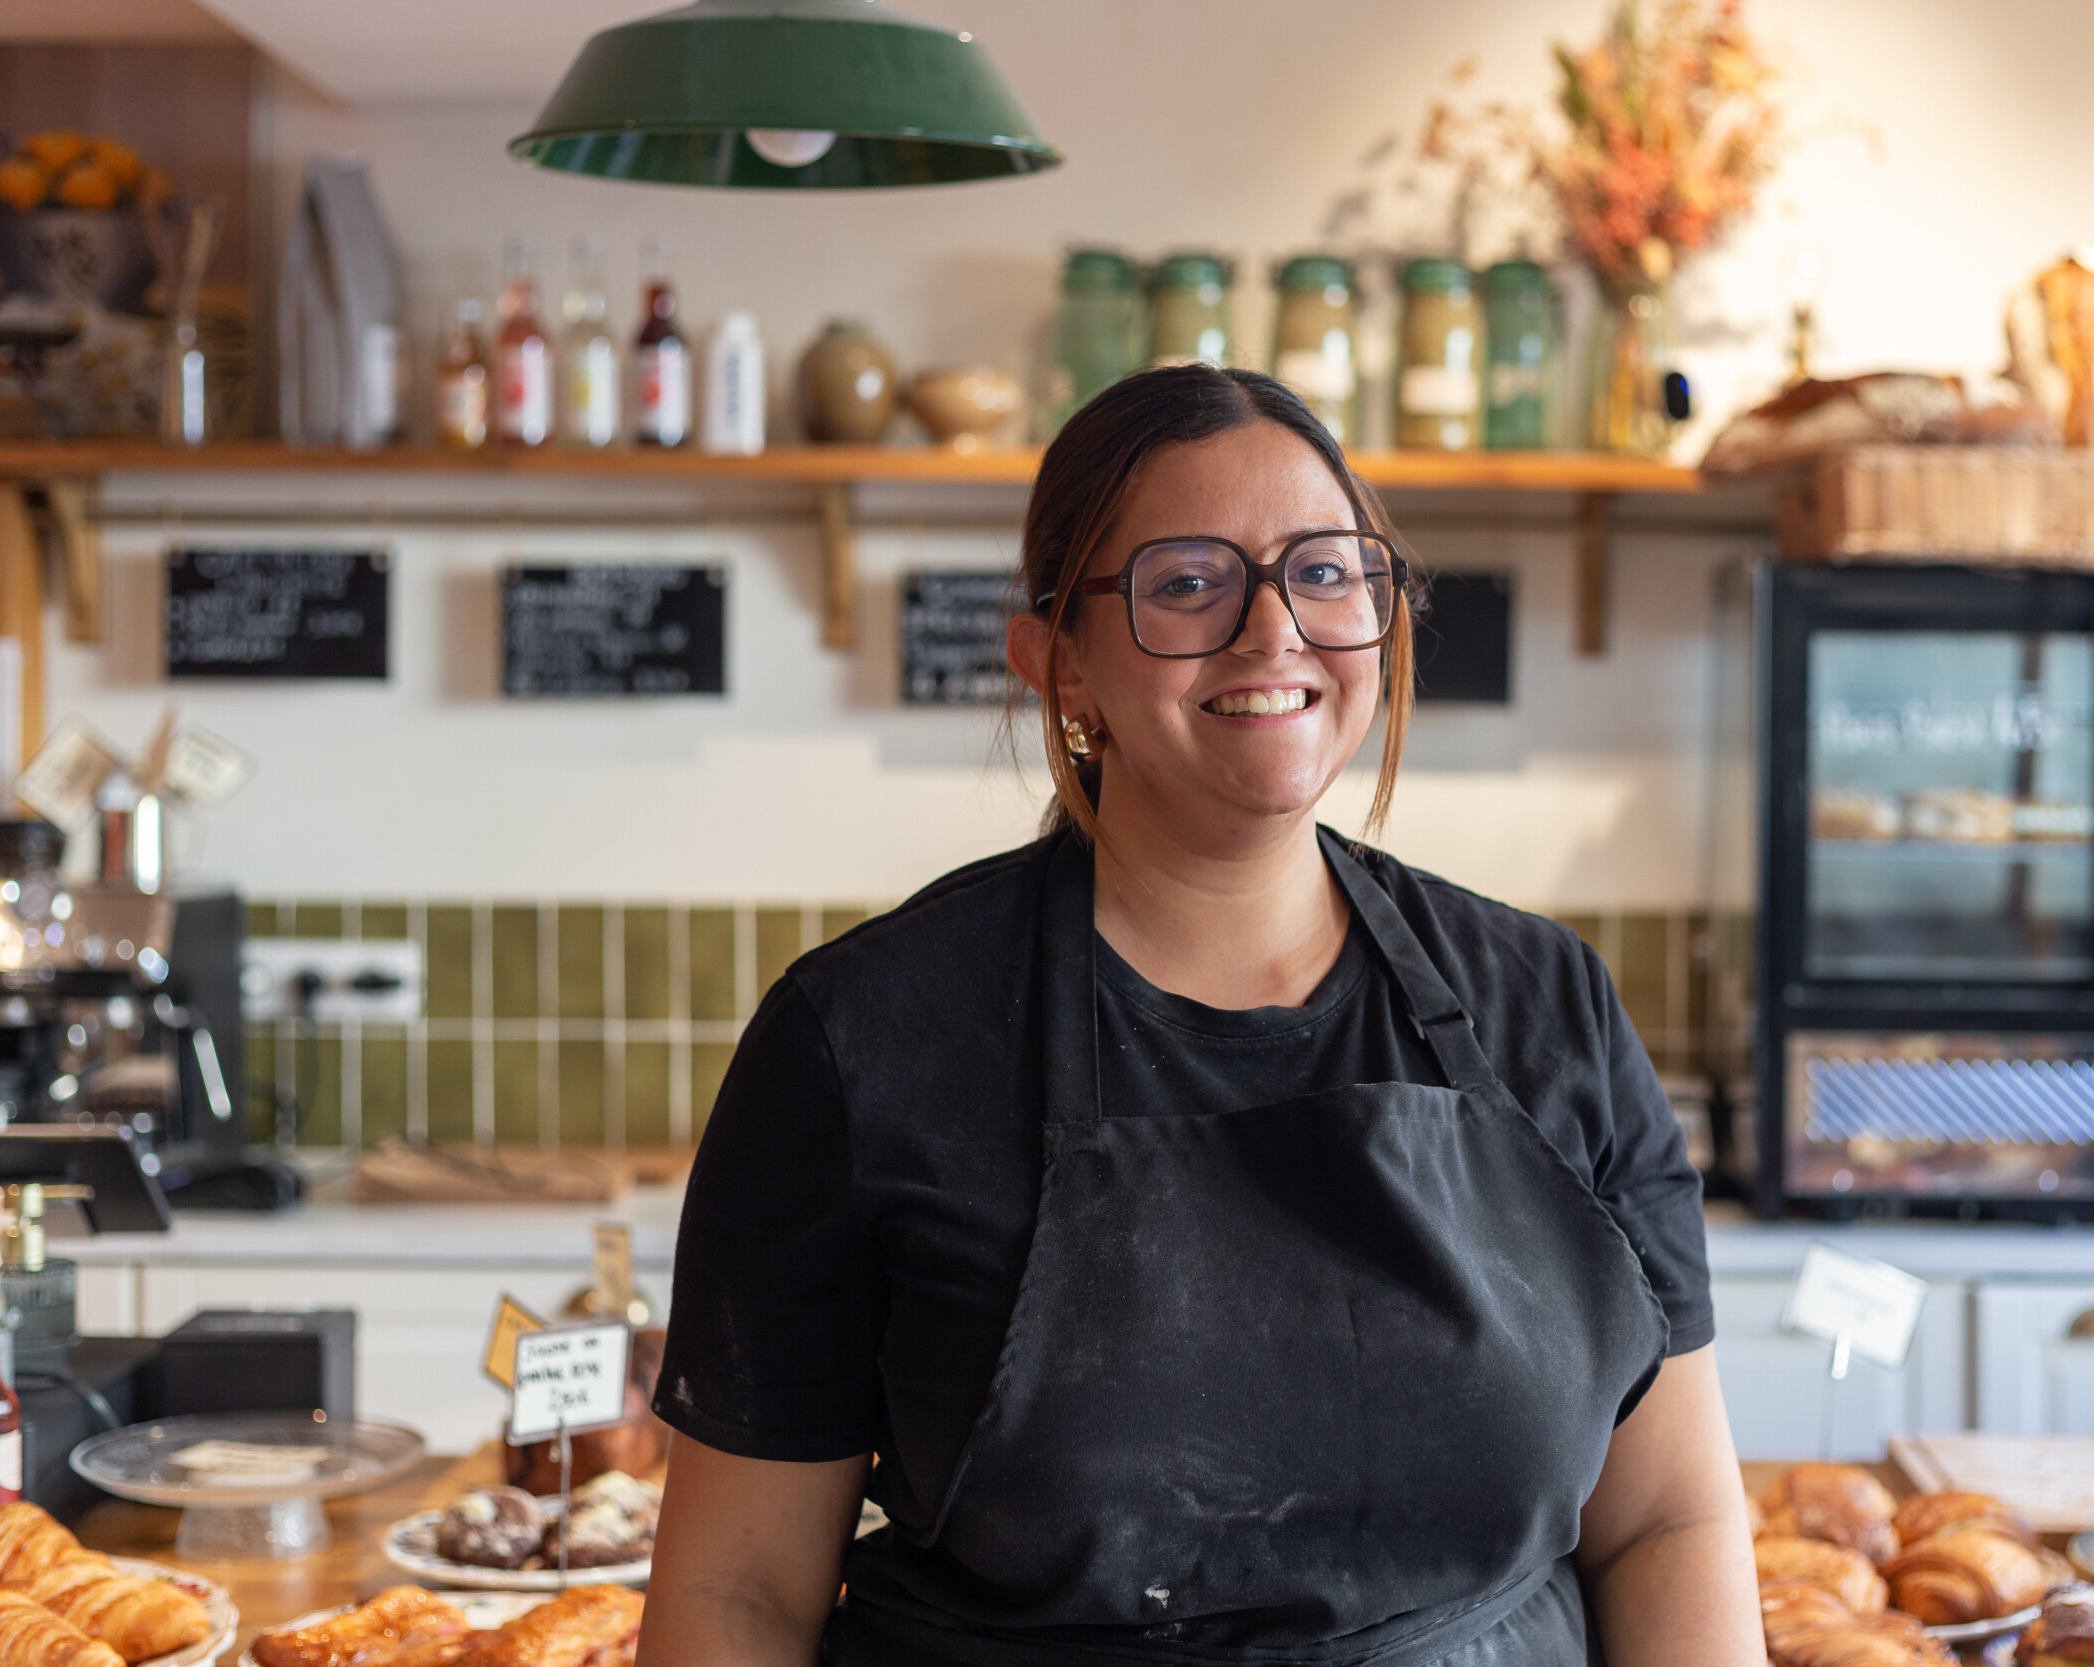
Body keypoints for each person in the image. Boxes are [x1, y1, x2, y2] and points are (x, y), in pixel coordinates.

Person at [641, 365, 1763, 1667]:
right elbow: (739, 1595)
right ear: (1059, 662)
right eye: (1189, 582)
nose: (1275, 629)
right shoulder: (865, 1042)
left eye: (1327, 572)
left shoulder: (1548, 1008)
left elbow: (1669, 1519)